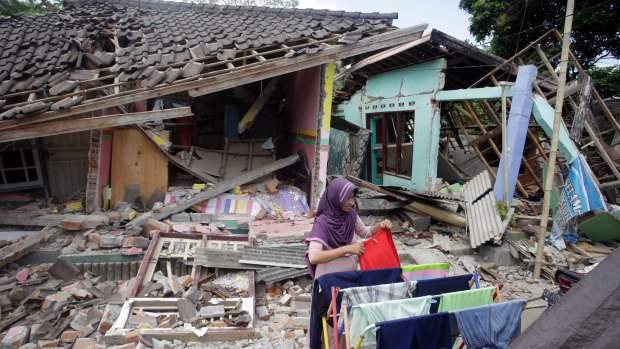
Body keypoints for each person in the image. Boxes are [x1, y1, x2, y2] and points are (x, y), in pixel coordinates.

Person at [305, 177, 392, 280]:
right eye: (347, 198)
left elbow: (366, 233)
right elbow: (314, 257)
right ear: (335, 197)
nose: (351, 202)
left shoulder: (350, 215)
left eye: (353, 197)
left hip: (349, 275)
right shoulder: (322, 223)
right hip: (328, 279)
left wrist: (381, 224)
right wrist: (347, 248)